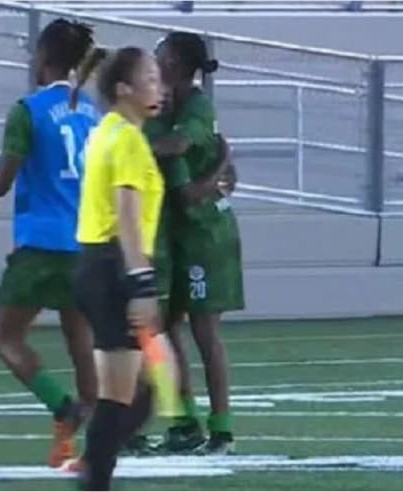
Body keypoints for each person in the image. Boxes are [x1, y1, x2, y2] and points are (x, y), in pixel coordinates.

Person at [0, 18, 101, 468]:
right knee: (81, 339)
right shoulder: (92, 111)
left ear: (43, 58)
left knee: (5, 338)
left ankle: (62, 408)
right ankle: (93, 445)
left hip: (41, 243)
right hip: (87, 241)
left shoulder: (27, 110)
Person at [70, 45, 180, 490]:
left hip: (97, 266)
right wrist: (140, 284)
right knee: (127, 396)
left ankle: (94, 465)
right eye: (150, 79)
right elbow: (128, 217)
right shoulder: (128, 139)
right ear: (123, 89)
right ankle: (94, 474)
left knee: (148, 387)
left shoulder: (107, 130)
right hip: (117, 267)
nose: (161, 87)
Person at [142, 31, 242, 456]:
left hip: (205, 236)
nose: (153, 61)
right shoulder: (162, 105)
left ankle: (222, 429)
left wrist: (127, 145)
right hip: (175, 232)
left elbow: (179, 147)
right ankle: (184, 422)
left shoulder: (198, 106)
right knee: (163, 328)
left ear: (177, 64)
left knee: (204, 332)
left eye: (159, 55)